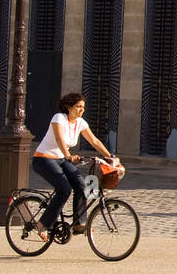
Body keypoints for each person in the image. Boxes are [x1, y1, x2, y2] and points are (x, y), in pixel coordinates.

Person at [31, 91, 116, 240]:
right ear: (68, 107)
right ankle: (42, 224)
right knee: (64, 189)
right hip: (44, 159)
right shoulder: (59, 118)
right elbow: (59, 138)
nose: (81, 110)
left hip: (61, 159)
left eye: (83, 107)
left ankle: (79, 224)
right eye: (78, 107)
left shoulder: (81, 123)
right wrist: (68, 155)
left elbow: (94, 141)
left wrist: (110, 157)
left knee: (81, 185)